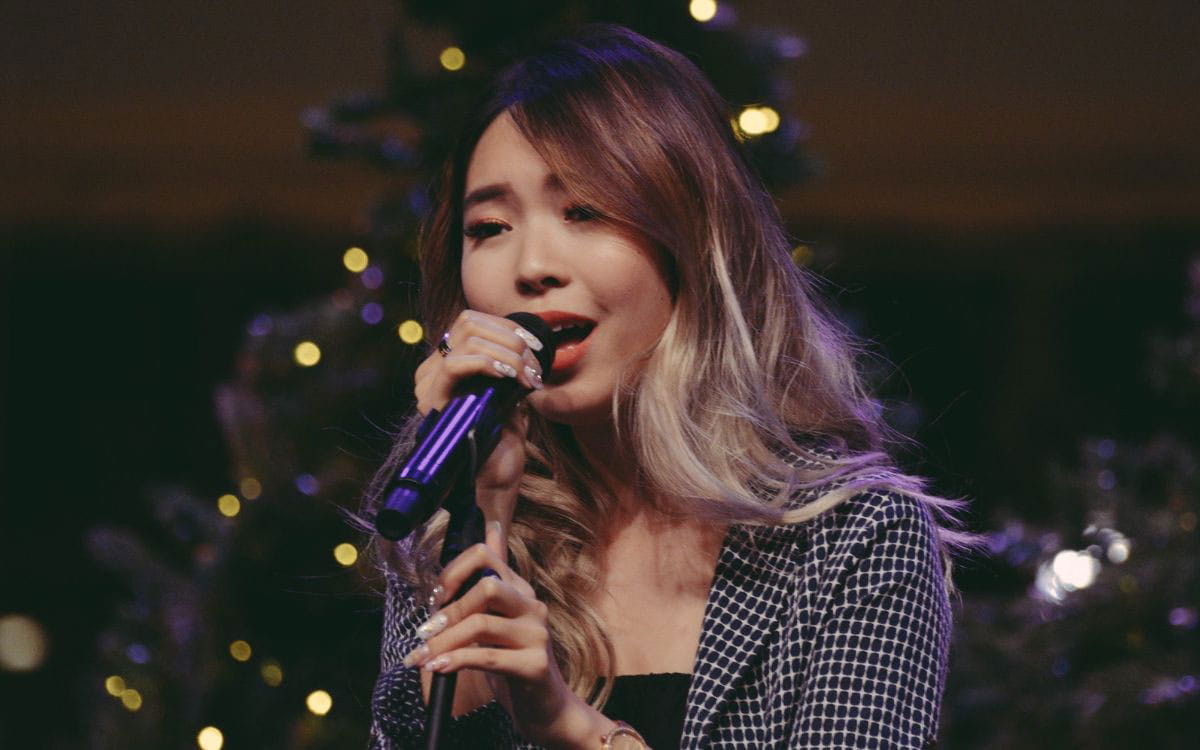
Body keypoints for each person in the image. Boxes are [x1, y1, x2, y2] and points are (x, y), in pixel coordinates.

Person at [365, 24, 974, 750]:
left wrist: (567, 724)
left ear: (689, 238)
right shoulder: (444, 527)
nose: (531, 266)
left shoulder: (855, 541)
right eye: (490, 226)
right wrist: (484, 520)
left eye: (584, 211)